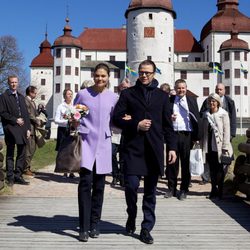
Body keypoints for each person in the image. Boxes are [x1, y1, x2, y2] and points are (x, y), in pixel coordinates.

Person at [113, 60, 177, 244]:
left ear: (154, 73)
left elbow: (167, 125)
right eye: (141, 72)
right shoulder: (128, 94)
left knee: (150, 192)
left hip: (153, 149)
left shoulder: (162, 97)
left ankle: (146, 227)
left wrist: (171, 147)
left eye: (148, 72)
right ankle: (131, 214)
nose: (144, 75)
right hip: (133, 148)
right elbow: (117, 118)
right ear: (138, 73)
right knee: (131, 186)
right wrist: (135, 124)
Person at [74, 63, 118, 242]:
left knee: (99, 186)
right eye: (97, 75)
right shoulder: (83, 94)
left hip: (105, 144)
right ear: (93, 75)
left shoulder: (114, 97)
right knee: (85, 184)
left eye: (103, 76)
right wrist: (74, 122)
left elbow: (115, 121)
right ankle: (83, 227)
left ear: (108, 77)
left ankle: (95, 224)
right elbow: (74, 115)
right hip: (86, 142)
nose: (100, 79)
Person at [165, 79, 201, 201]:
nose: (181, 90)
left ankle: (184, 189)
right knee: (172, 163)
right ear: (175, 88)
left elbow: (197, 118)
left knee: (186, 163)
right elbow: (163, 118)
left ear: (186, 88)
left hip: (187, 135)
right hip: (173, 134)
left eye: (183, 88)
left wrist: (197, 137)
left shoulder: (192, 100)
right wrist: (170, 118)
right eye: (179, 88)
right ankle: (171, 188)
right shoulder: (169, 101)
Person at [199, 83, 236, 184]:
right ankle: (207, 179)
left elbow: (232, 119)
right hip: (209, 139)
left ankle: (222, 184)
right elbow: (201, 115)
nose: (219, 91)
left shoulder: (229, 102)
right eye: (217, 89)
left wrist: (231, 135)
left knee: (223, 161)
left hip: (223, 137)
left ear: (224, 90)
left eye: (220, 89)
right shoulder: (207, 102)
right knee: (209, 161)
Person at [0, 75, 31, 186]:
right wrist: (15, 120)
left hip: (22, 128)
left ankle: (18, 175)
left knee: (22, 152)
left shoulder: (21, 97)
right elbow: (2, 113)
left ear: (18, 83)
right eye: (12, 82)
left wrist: (28, 129)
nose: (14, 84)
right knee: (10, 153)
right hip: (10, 128)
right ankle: (10, 177)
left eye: (15, 82)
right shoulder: (3, 96)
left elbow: (26, 115)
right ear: (9, 83)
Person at [111, 78, 131, 187]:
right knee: (112, 154)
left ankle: (123, 177)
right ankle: (115, 175)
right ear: (120, 88)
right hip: (114, 131)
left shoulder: (132, 99)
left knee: (123, 156)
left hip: (125, 132)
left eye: (127, 88)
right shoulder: (114, 99)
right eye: (123, 87)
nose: (125, 89)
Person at [54, 89, 75, 179]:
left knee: (72, 151)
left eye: (71, 94)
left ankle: (72, 171)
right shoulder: (60, 106)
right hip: (63, 131)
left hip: (73, 130)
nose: (70, 96)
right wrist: (67, 121)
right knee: (64, 151)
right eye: (68, 94)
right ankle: (64, 171)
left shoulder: (75, 106)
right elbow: (56, 120)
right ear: (64, 96)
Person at [23, 86, 40, 177]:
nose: (36, 94)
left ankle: (28, 167)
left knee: (32, 148)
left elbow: (35, 113)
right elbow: (28, 114)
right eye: (35, 92)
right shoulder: (26, 100)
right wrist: (36, 120)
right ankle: (25, 168)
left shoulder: (33, 102)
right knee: (28, 149)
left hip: (34, 128)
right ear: (30, 92)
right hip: (28, 128)